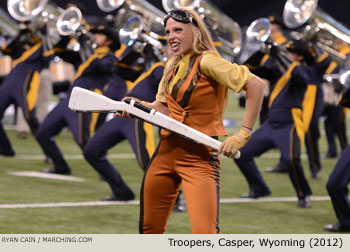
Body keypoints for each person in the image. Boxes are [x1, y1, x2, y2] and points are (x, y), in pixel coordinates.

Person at [117, 8, 265, 234]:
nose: (172, 36)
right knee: (149, 230)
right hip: (165, 153)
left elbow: (256, 85)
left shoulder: (208, 61)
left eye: (178, 30)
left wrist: (243, 133)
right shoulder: (172, 64)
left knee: (204, 235)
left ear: (195, 31)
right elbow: (163, 108)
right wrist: (136, 107)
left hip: (199, 158)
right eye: (168, 32)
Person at [234, 39, 313, 208]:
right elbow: (249, 69)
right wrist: (263, 51)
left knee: (291, 159)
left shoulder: (304, 71)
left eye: (291, 53)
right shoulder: (280, 72)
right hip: (271, 124)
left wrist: (279, 55)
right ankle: (259, 188)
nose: (287, 55)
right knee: (241, 153)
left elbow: (298, 74)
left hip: (289, 125)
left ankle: (303, 194)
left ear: (300, 56)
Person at [35, 24, 120, 174]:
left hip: (85, 103)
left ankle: (108, 174)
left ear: (109, 41)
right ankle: (61, 166)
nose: (95, 36)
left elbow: (98, 66)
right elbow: (59, 51)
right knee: (42, 133)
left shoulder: (111, 58)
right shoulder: (84, 54)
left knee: (84, 142)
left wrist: (85, 44)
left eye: (100, 34)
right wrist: (68, 34)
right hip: (68, 100)